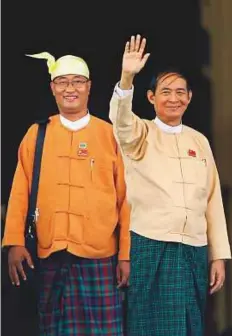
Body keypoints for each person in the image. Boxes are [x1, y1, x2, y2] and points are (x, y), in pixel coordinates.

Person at [109, 34, 231, 336]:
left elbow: (213, 201)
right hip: (151, 244)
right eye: (165, 91)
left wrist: (218, 255)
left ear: (189, 97)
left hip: (194, 247)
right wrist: (127, 78)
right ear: (151, 97)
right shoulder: (140, 133)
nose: (173, 98)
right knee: (150, 326)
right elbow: (120, 121)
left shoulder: (199, 141)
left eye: (180, 92)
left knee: (189, 325)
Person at [2, 51, 130, 335]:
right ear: (52, 88)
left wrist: (125, 255)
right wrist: (14, 242)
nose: (69, 89)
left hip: (101, 255)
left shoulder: (110, 135)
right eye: (61, 82)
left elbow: (126, 201)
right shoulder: (36, 134)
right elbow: (19, 191)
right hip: (51, 253)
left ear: (89, 86)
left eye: (77, 81)